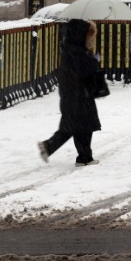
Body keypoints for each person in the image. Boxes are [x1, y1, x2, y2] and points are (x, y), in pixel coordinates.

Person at [38, 19, 101, 167]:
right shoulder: (76, 52)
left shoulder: (72, 49)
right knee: (76, 127)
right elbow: (83, 70)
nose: (91, 39)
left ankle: (83, 157)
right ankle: (52, 147)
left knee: (79, 127)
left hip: (75, 95)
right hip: (78, 96)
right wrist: (93, 61)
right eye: (89, 36)